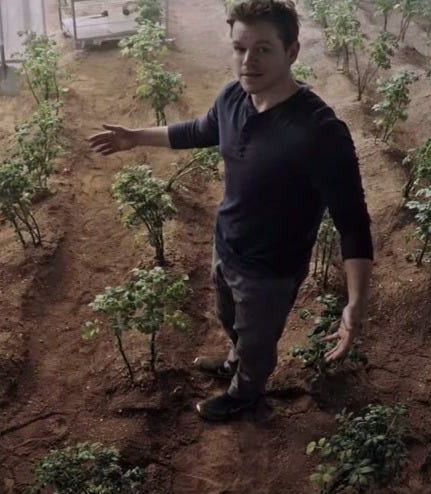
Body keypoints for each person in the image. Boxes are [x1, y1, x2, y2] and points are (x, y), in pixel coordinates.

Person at [87, 0, 374, 421]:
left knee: (258, 341)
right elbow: (201, 130)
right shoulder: (234, 97)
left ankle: (247, 392)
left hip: (271, 269)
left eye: (263, 49)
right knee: (229, 318)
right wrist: (136, 137)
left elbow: (353, 223)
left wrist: (356, 304)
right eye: (240, 48)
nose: (248, 61)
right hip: (227, 245)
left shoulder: (319, 133)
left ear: (292, 51)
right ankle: (234, 360)